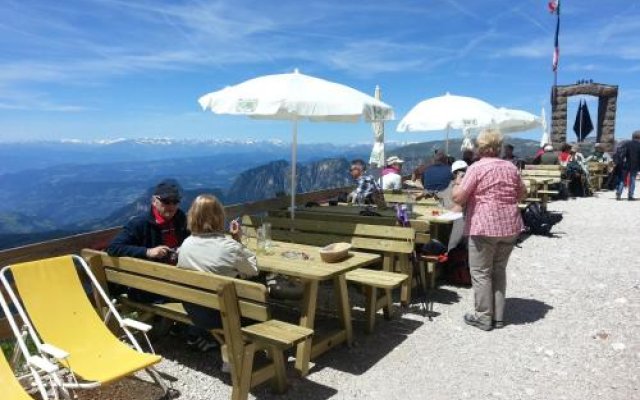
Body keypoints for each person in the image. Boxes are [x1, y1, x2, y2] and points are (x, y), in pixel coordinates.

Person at [452, 128, 526, 331]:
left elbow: (459, 199)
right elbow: (522, 194)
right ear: (499, 147)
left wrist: (458, 183)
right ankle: (499, 317)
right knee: (499, 270)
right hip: (510, 226)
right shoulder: (510, 167)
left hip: (483, 227)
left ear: (480, 147)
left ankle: (484, 317)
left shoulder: (476, 168)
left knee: (481, 273)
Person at [177, 194, 258, 354]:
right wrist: (237, 241)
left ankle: (204, 337)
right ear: (219, 216)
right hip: (224, 314)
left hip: (194, 310)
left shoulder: (186, 244)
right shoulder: (229, 247)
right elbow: (253, 269)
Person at [106, 179, 189, 302]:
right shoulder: (139, 224)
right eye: (166, 202)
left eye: (175, 202)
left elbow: (189, 238)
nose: (171, 206)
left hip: (178, 276)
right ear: (154, 201)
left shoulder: (180, 217)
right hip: (151, 286)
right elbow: (113, 248)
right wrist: (148, 252)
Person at [615, 130, 640, 201]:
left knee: (622, 180)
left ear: (632, 137)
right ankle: (630, 196)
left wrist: (620, 162)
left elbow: (622, 154)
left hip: (625, 164)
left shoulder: (627, 143)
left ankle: (619, 194)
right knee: (632, 181)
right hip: (635, 165)